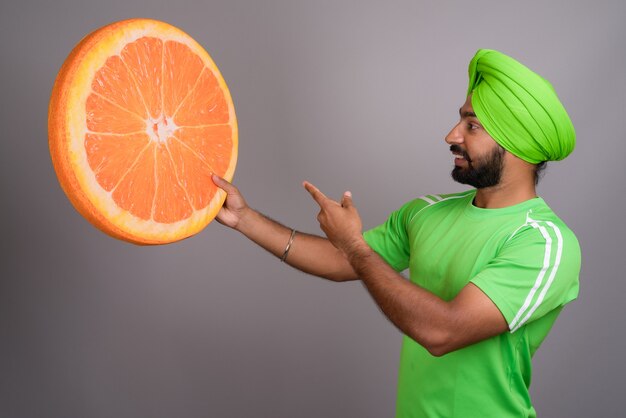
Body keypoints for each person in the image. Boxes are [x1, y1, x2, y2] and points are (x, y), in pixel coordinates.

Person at [211, 49, 581, 418]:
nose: (451, 135)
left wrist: (353, 245)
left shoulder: (545, 244)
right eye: (460, 120)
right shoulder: (427, 212)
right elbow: (342, 261)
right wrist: (246, 219)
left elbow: (444, 332)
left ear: (516, 145)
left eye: (472, 126)